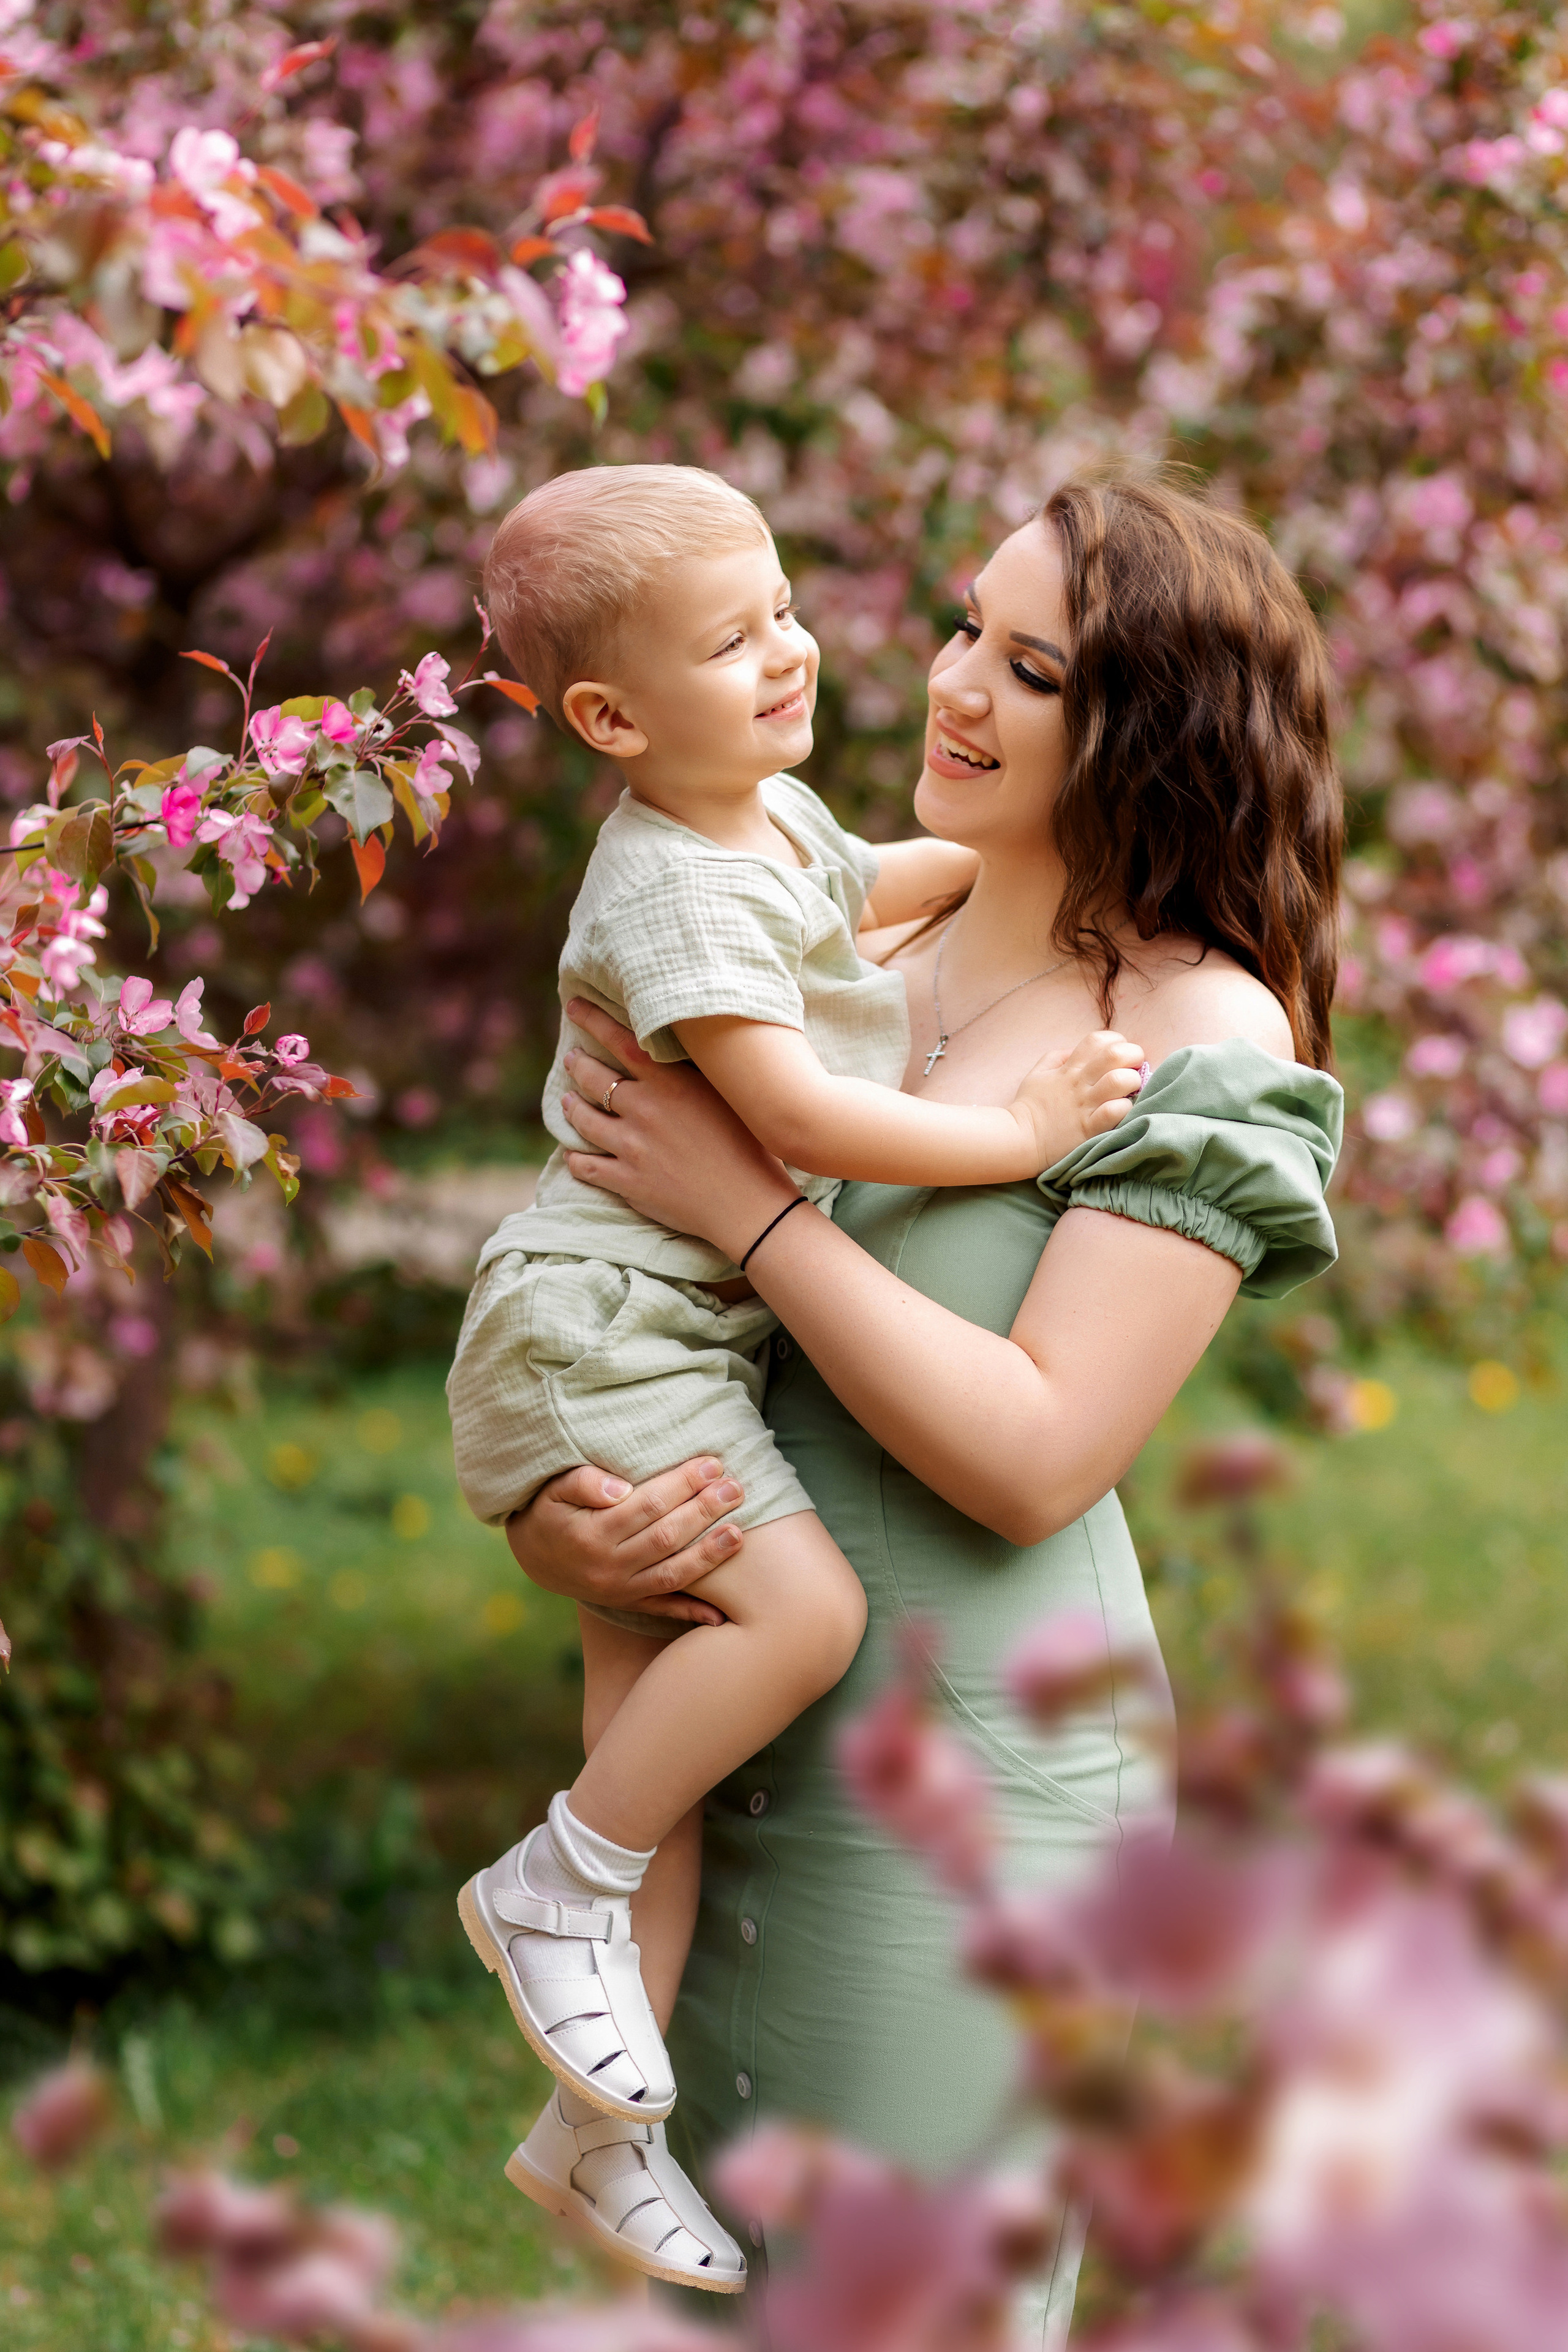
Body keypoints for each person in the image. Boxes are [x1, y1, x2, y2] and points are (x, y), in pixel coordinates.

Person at [500, 471, 1345, 2343]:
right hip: (716, 1756)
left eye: (1032, 669)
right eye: (969, 625)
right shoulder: (825, 939)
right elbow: (640, 1310)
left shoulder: (1197, 1030)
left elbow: (1041, 1454)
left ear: (1153, 730)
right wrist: (570, 1516)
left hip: (970, 1800)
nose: (954, 684)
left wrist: (757, 1210)